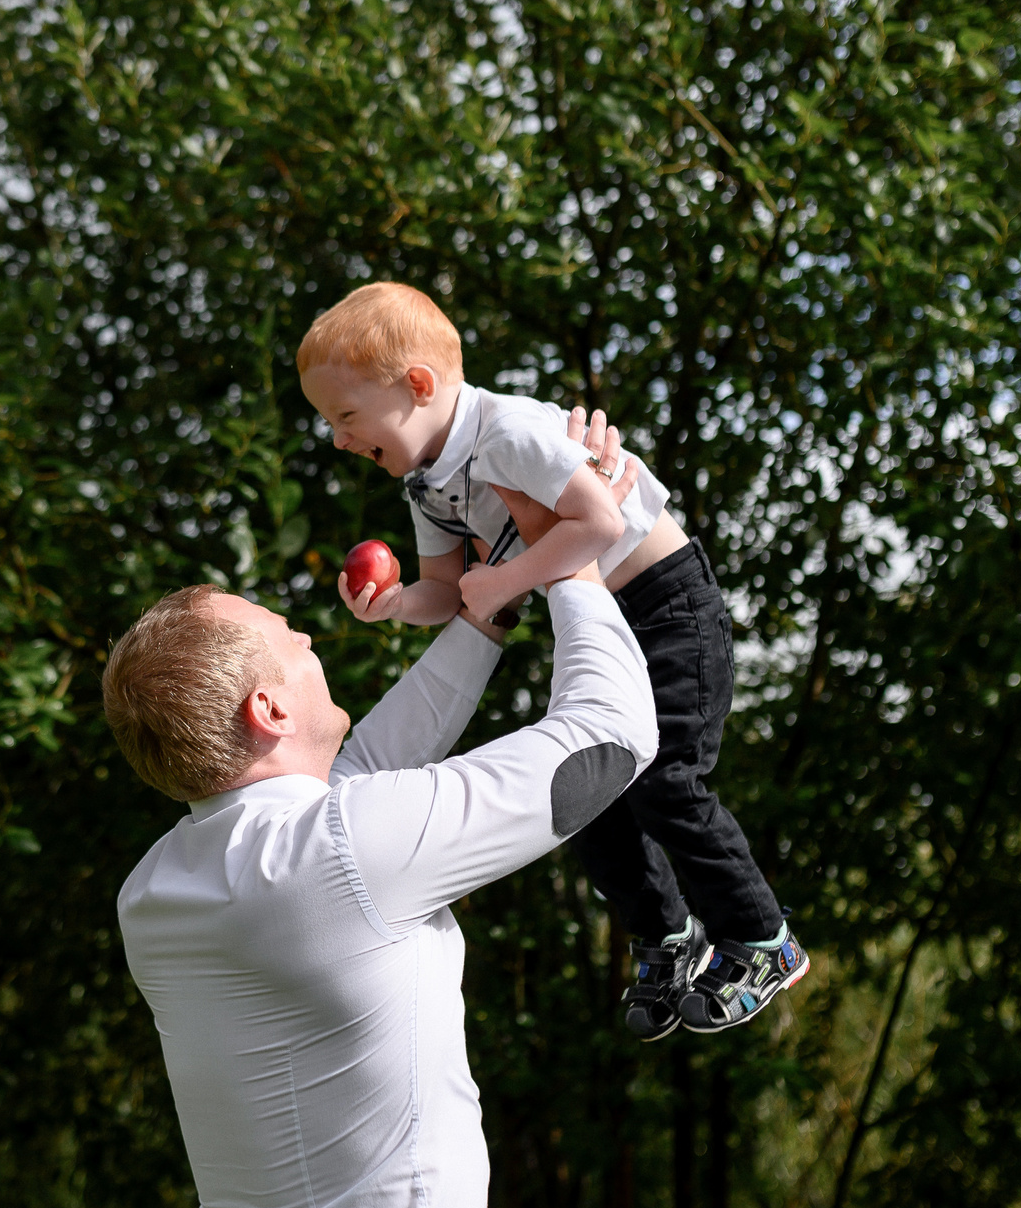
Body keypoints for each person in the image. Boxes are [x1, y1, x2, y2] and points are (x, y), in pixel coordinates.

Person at [106, 416, 653, 1208]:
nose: (309, 638)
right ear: (269, 708)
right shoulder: (344, 852)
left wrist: (490, 607)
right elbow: (610, 739)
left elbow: (346, 788)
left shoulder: (154, 896)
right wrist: (572, 562)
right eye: (291, 639)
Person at [295, 281, 806, 1039]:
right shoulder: (427, 485)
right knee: (592, 792)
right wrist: (398, 604)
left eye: (345, 417)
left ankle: (763, 938)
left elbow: (598, 522)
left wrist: (506, 579)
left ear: (418, 386)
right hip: (599, 618)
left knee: (667, 781)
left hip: (666, 606)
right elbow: (452, 591)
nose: (338, 440)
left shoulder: (505, 431)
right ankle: (668, 936)